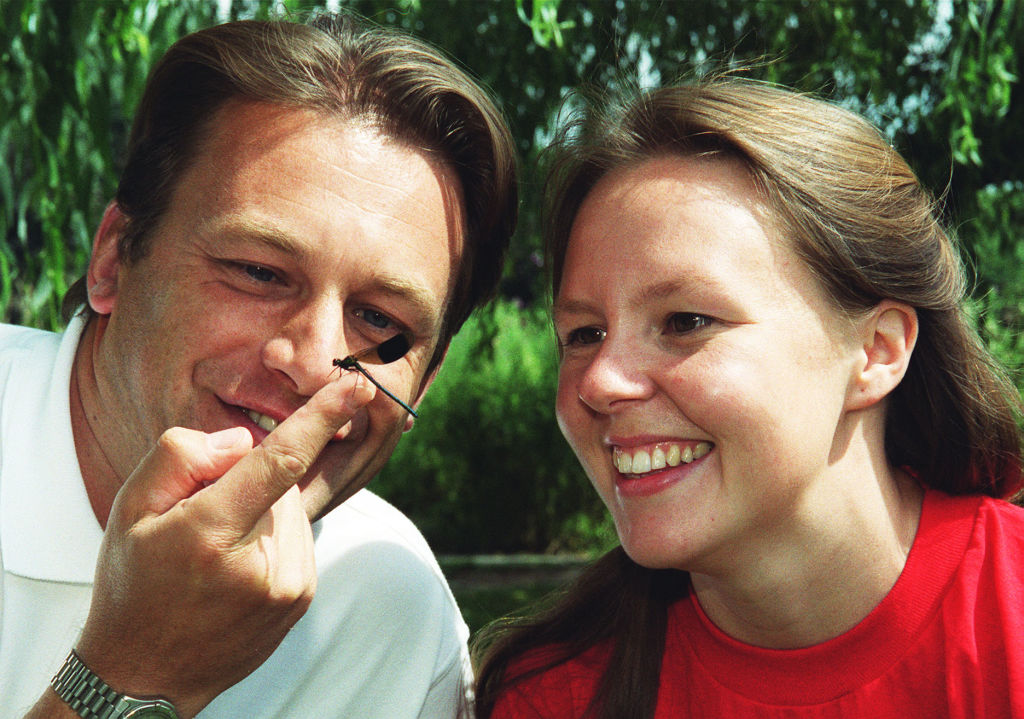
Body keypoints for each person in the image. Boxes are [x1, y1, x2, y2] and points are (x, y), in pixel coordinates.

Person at [0, 13, 516, 719]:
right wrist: (127, 675)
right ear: (115, 259)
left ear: (424, 381)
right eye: (258, 272)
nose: (309, 362)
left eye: (381, 321)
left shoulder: (392, 608)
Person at [473, 77, 1024, 718]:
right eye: (583, 334)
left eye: (685, 321)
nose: (600, 380)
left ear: (876, 351)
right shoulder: (552, 698)